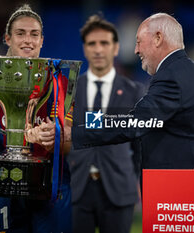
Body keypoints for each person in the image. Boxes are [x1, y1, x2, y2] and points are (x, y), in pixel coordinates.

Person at [71, 13, 194, 174]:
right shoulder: (183, 70)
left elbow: (135, 122)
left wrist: (78, 128)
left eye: (138, 42)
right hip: (190, 180)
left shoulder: (172, 77)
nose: (136, 50)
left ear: (158, 38)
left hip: (186, 185)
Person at [0, 4, 71, 232]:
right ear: (7, 38)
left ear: (42, 40)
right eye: (20, 33)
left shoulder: (58, 82)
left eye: (34, 34)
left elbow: (67, 146)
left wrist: (53, 136)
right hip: (4, 185)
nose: (28, 40)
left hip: (48, 187)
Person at [66, 15, 143, 233]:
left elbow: (139, 146)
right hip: (78, 187)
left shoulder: (134, 91)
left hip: (119, 188)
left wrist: (133, 176)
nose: (98, 49)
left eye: (104, 43)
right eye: (92, 43)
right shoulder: (69, 90)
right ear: (84, 49)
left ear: (116, 48)